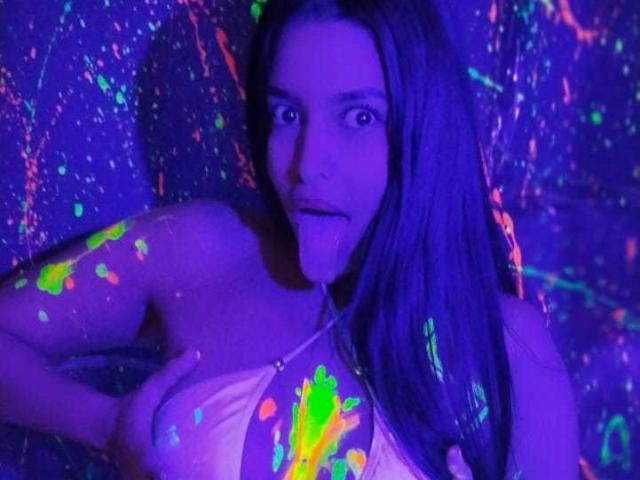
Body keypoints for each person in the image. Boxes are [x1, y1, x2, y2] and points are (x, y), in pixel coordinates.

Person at [0, 0, 578, 478]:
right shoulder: (201, 255)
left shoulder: (506, 348)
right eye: (287, 115)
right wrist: (105, 425)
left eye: (359, 117)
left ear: (422, 129)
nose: (307, 164)